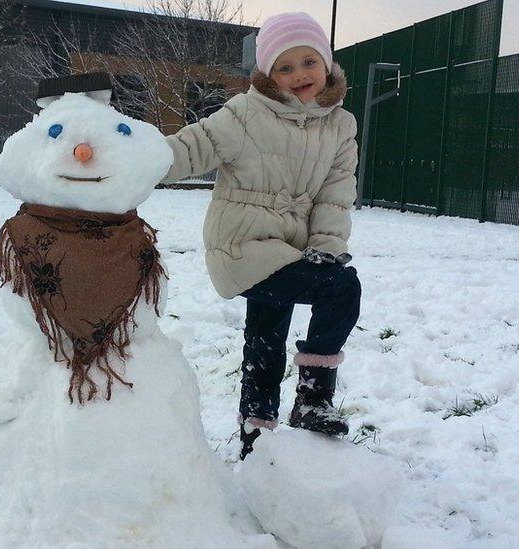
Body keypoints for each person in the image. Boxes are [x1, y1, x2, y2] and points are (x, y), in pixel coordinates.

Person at [162, 12, 361, 459]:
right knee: (342, 289)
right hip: (243, 246)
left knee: (266, 337)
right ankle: (312, 400)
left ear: (326, 64)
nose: (299, 75)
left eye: (308, 62)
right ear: (268, 75)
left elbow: (335, 194)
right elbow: (195, 145)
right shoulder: (246, 113)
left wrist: (327, 249)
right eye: (284, 68)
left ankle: (256, 437)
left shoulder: (340, 124)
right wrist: (135, 155)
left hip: (290, 251)